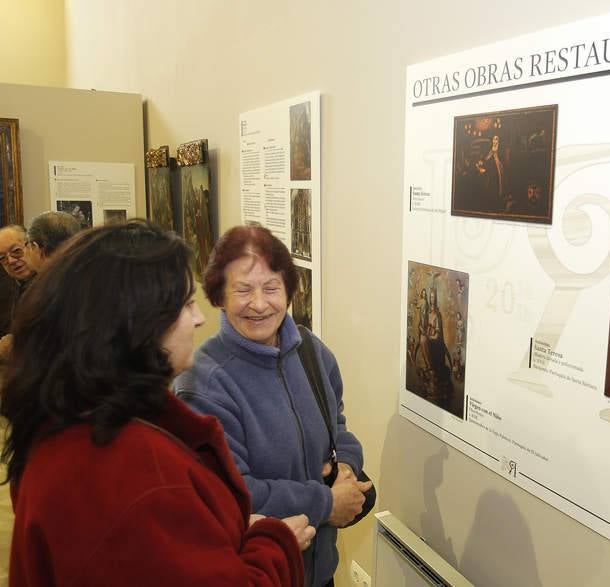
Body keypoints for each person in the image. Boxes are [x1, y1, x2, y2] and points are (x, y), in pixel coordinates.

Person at [0, 220, 311, 586]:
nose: (198, 319)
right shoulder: (132, 473)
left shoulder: (69, 419)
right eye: (186, 305)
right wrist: (274, 542)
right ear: (139, 324)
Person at [175, 225, 370, 587]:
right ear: (219, 296)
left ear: (288, 292)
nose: (260, 304)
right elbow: (233, 494)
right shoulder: (202, 384)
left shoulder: (312, 352)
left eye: (271, 288)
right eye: (243, 290)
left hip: (320, 573)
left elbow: (337, 427)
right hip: (259, 577)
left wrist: (346, 465)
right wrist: (326, 503)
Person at [0, 225, 36, 359]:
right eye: (2, 258)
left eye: (16, 251)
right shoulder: (11, 286)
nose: (10, 261)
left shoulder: (50, 285)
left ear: (32, 246)